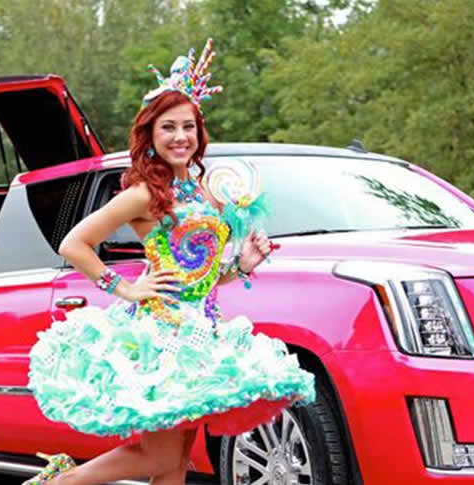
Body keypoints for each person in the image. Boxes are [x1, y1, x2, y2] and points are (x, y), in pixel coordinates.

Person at [22, 39, 315, 485]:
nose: (180, 137)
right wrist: (125, 288)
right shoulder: (143, 194)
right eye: (168, 127)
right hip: (164, 337)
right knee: (157, 457)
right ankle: (58, 482)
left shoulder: (204, 192)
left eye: (188, 127)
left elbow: (198, 276)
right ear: (151, 136)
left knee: (177, 462)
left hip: (204, 333)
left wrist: (242, 266)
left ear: (199, 133)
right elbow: (74, 244)